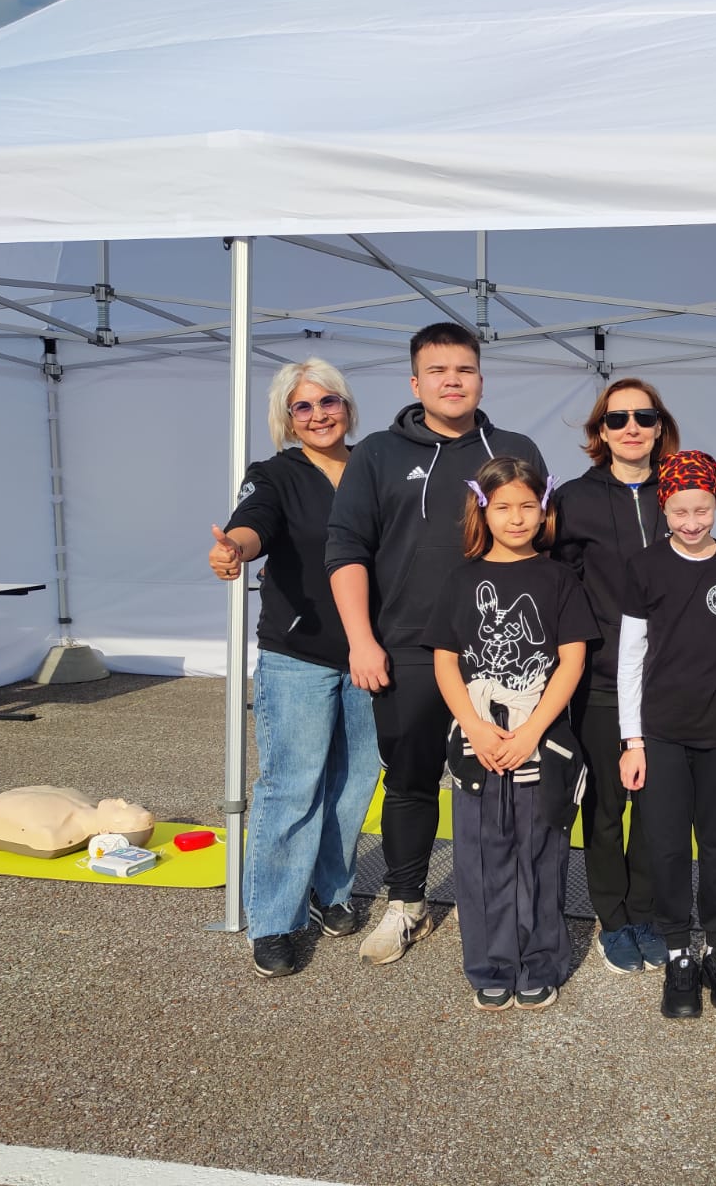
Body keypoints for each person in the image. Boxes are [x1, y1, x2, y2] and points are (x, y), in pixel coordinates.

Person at [326, 321, 547, 966]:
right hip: (410, 646)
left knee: (511, 778)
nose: (453, 382)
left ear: (481, 378)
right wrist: (361, 640)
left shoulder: (514, 449)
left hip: (503, 651)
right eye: (438, 371)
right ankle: (406, 903)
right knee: (411, 779)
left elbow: (542, 539)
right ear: (415, 381)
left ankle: (511, 905)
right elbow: (346, 549)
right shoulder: (377, 453)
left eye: (465, 370)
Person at [207, 358, 379, 979]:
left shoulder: (376, 465)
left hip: (371, 653)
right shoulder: (274, 474)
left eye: (328, 401)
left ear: (347, 406)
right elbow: (252, 524)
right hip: (298, 654)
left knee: (354, 784)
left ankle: (332, 891)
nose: (317, 415)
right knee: (292, 786)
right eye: (302, 406)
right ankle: (276, 920)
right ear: (286, 418)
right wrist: (235, 549)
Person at [423, 456, 597, 1011]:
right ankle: (491, 965)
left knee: (540, 853)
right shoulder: (461, 579)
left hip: (539, 735)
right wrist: (475, 727)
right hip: (477, 737)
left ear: (543, 509)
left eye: (527, 506)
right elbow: (446, 661)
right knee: (480, 856)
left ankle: (540, 962)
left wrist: (532, 731)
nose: (516, 518)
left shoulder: (559, 578)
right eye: (503, 507)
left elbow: (571, 661)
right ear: (483, 510)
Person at [617, 451, 716, 1020]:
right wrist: (632, 741)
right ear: (664, 507)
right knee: (664, 845)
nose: (691, 522)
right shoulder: (644, 567)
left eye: (702, 510)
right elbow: (629, 658)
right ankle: (679, 952)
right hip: (660, 734)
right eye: (680, 511)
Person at [552, 378, 681, 975]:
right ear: (600, 431)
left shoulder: (680, 489)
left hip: (669, 677)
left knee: (656, 806)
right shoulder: (573, 499)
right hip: (602, 678)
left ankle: (646, 912)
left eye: (644, 417)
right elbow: (559, 585)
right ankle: (614, 918)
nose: (632, 427)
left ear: (659, 427)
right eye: (618, 418)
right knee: (605, 807)